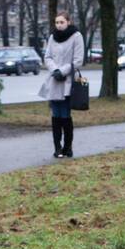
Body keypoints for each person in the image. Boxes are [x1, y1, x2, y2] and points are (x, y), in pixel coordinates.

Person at [38, 12, 84, 158]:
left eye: (62, 22)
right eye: (57, 22)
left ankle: (67, 147)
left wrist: (62, 71)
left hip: (67, 80)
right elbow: (47, 57)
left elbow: (78, 60)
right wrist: (54, 70)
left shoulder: (76, 36)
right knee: (55, 115)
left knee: (65, 115)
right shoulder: (53, 37)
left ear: (68, 22)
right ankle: (57, 148)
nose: (59, 25)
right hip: (54, 80)